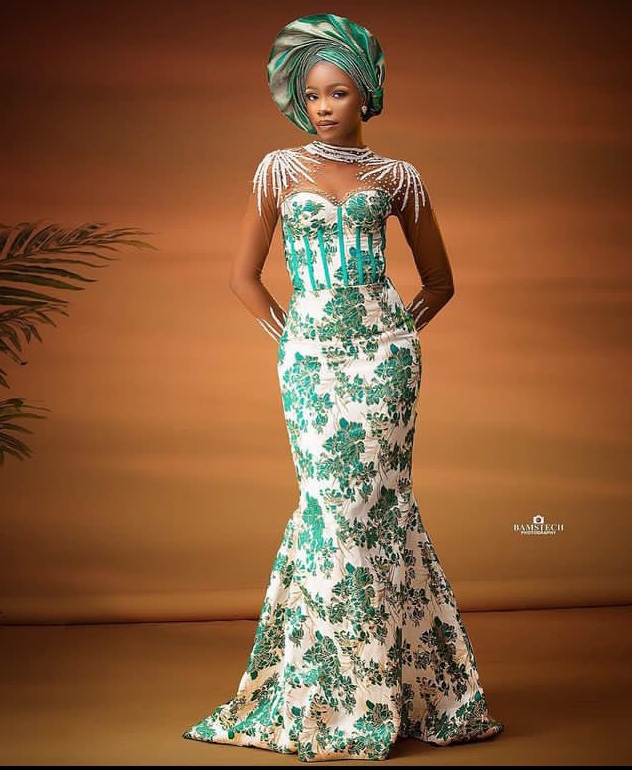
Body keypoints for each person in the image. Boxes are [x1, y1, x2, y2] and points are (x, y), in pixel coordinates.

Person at [182, 12, 504, 762]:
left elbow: (440, 281)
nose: (323, 107)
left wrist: (396, 338)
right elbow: (243, 278)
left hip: (386, 366)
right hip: (311, 365)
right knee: (330, 510)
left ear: (368, 95)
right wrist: (292, 337)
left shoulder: (398, 178)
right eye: (311, 95)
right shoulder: (276, 171)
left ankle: (405, 693)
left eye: (338, 93)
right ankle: (327, 697)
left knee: (381, 509)